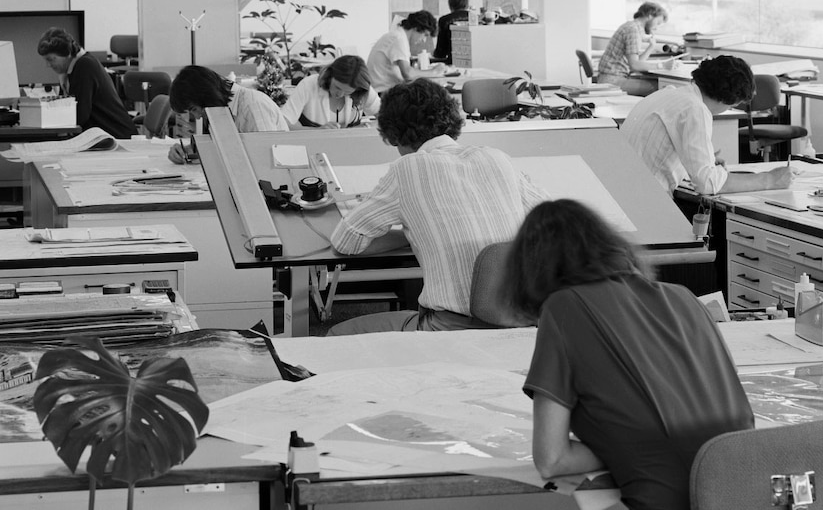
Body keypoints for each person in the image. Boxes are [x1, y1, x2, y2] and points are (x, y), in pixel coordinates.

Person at [508, 199, 754, 510]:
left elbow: (551, 460)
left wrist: (625, 445)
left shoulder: (563, 306)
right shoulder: (684, 296)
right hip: (745, 491)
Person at [328, 78, 548, 335]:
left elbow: (345, 241)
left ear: (394, 134)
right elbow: (553, 221)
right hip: (524, 324)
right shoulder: (498, 158)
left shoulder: (407, 169)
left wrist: (408, 234)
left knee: (335, 335)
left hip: (449, 330)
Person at [621, 55, 793, 195]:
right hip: (645, 205)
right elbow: (707, 184)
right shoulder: (695, 109)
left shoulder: (667, 95)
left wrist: (703, 158)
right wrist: (770, 179)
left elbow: (658, 151)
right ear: (728, 100)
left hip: (623, 195)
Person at [166, 65, 289, 164]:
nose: (198, 117)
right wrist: (188, 152)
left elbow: (266, 160)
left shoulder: (252, 106)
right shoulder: (220, 110)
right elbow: (223, 148)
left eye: (194, 109)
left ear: (206, 96)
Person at [37, 27, 136, 139]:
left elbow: (79, 116)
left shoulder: (84, 66)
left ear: (67, 54)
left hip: (117, 138)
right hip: (102, 137)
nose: (48, 65)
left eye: (51, 59)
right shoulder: (71, 69)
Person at [280, 55, 380, 129]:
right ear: (329, 76)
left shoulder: (363, 91)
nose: (339, 94)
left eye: (347, 92)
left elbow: (387, 118)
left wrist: (367, 126)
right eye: (337, 87)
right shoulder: (308, 85)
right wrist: (317, 132)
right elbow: (283, 123)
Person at [596, 2, 668, 96]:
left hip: (611, 78)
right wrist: (662, 65)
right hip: (612, 81)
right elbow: (635, 66)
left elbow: (637, 63)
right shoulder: (633, 30)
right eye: (658, 23)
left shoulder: (632, 27)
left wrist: (651, 47)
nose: (657, 27)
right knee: (661, 86)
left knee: (657, 83)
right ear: (650, 16)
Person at [367, 10, 446, 93]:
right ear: (416, 28)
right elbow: (408, 74)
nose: (424, 40)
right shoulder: (398, 39)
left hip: (385, 91)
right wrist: (434, 72)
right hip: (384, 93)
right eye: (425, 35)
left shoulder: (398, 36)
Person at [433, 0, 470, 65]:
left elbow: (441, 51)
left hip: (453, 62)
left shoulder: (444, 20)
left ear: (450, 6)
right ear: (467, 5)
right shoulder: (475, 18)